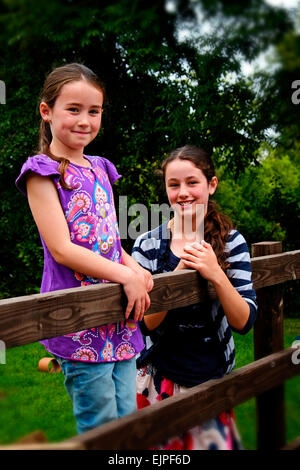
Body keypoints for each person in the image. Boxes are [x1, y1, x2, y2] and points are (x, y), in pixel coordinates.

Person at [15, 63, 153, 434]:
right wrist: (126, 274)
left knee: (129, 421)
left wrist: (133, 266)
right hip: (78, 319)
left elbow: (108, 239)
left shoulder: (102, 168)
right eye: (73, 109)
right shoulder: (41, 171)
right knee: (102, 427)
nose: (84, 120)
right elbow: (61, 248)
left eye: (94, 111)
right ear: (47, 111)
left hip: (120, 319)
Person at [132, 145, 257, 450]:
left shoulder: (231, 241)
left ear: (211, 185)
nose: (183, 192)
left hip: (211, 381)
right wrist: (177, 273)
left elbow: (244, 321)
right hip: (158, 381)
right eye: (173, 185)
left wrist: (215, 273)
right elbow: (144, 325)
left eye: (192, 182)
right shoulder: (147, 244)